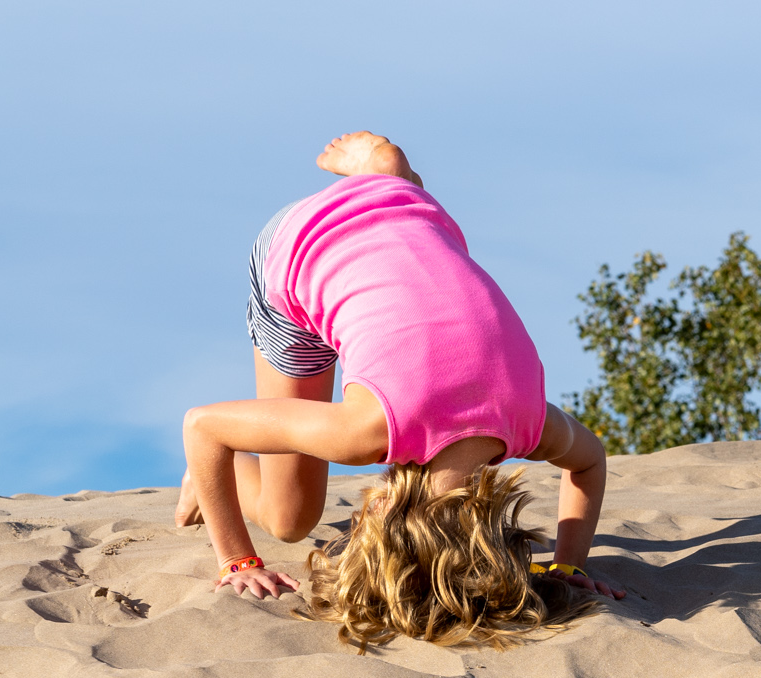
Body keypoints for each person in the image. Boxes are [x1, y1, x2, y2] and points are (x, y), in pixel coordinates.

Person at [176, 131, 625, 650]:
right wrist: (237, 560)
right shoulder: (365, 429)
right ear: (384, 513)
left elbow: (589, 462)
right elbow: (202, 425)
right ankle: (208, 476)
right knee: (289, 519)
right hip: (301, 241)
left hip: (413, 214)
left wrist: (568, 564)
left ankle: (386, 179)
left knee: (400, 284)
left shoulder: (525, 421)